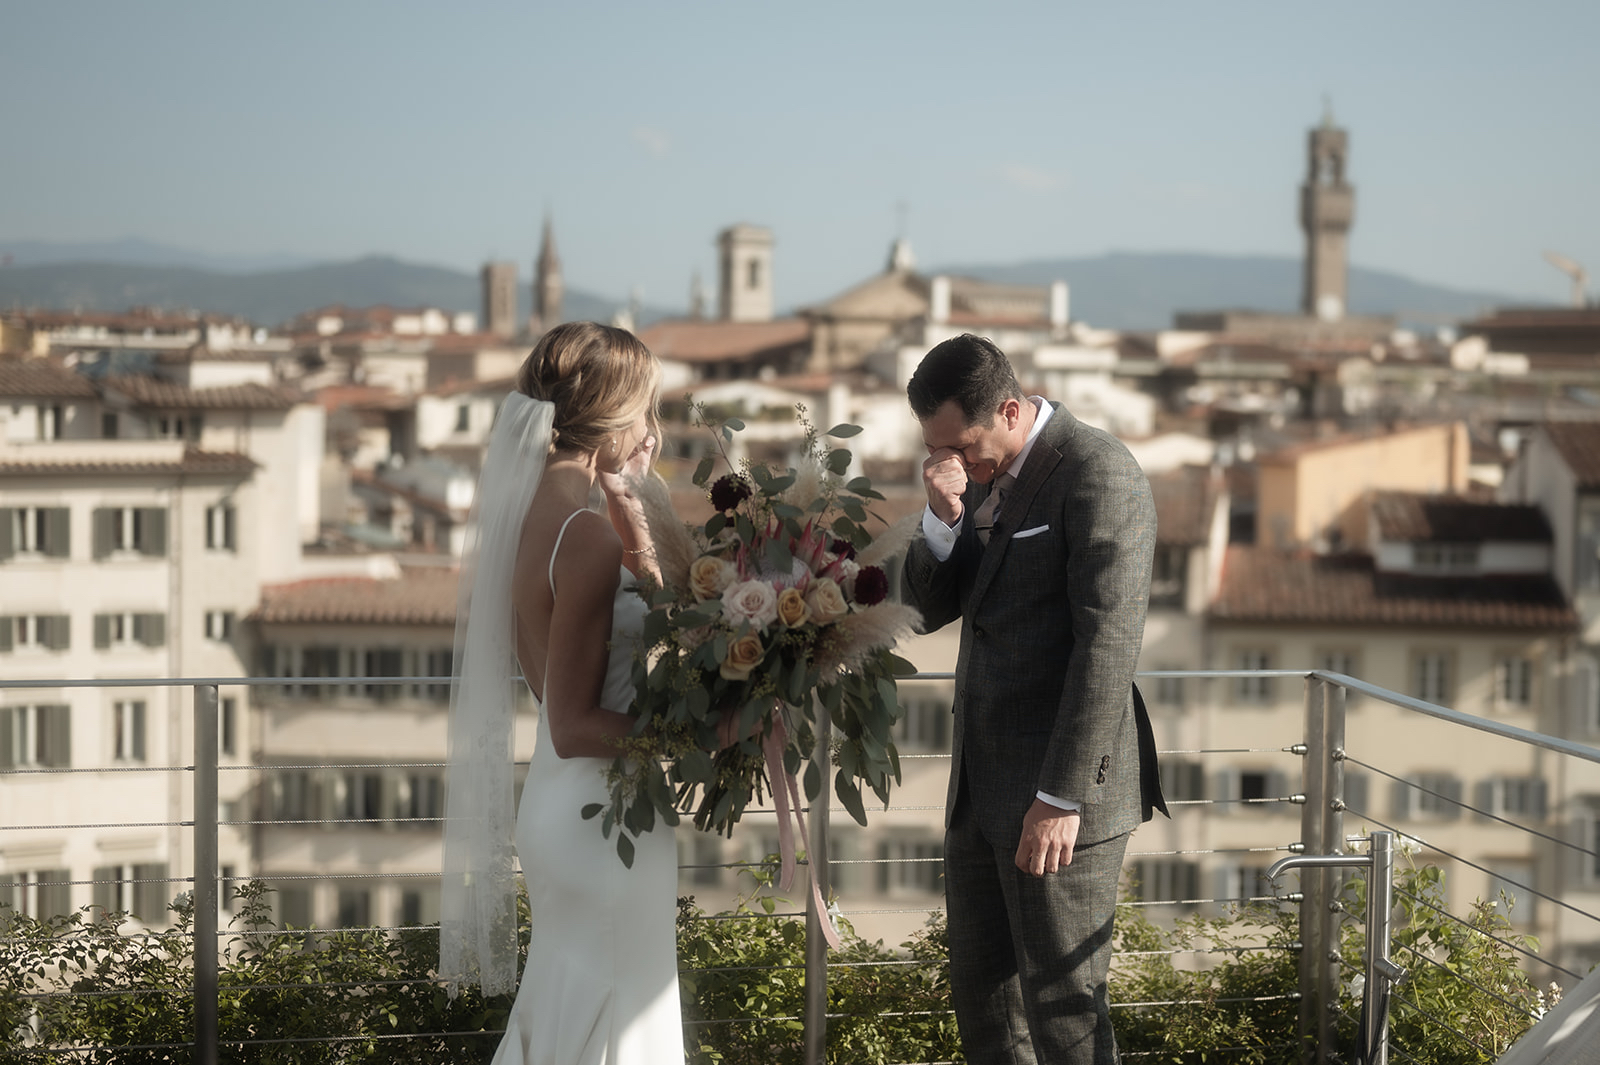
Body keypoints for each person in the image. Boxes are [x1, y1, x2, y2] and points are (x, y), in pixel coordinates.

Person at [901, 334, 1167, 1065]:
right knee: (984, 1008)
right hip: (978, 791)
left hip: (1061, 799)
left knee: (1065, 1013)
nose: (953, 460)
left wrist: (1061, 794)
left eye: (961, 444)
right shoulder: (974, 472)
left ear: (1011, 408)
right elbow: (924, 611)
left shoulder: (1099, 473)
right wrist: (942, 516)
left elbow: (1107, 650)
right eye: (936, 448)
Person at [439, 321, 685, 1065]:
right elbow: (578, 722)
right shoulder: (585, 536)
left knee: (565, 1018)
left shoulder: (524, 519)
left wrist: (636, 516)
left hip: (553, 805)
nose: (654, 428)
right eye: (646, 409)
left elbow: (552, 691)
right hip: (603, 815)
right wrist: (706, 733)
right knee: (619, 1023)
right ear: (614, 418)